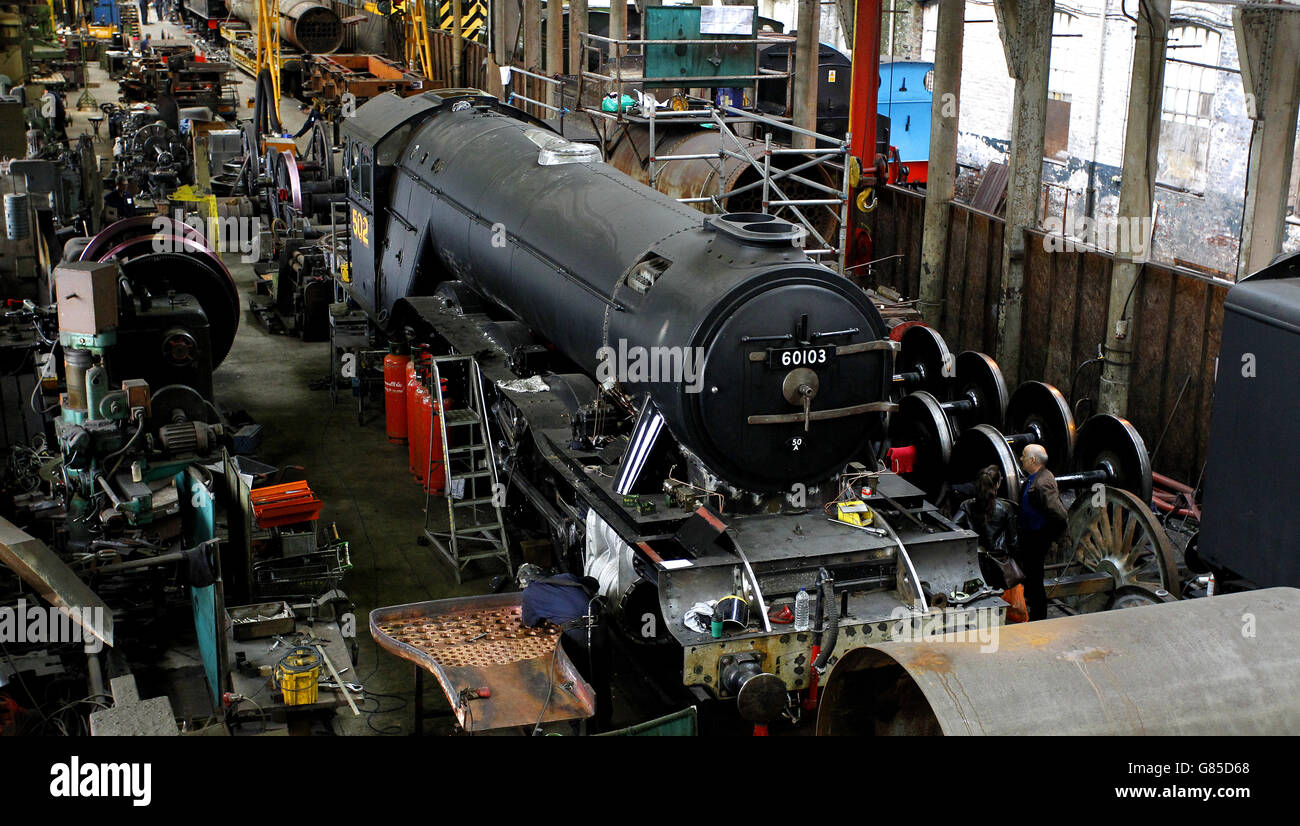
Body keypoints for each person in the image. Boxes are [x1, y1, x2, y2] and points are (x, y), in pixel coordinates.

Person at [1016, 443, 1068, 621]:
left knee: (1035, 578)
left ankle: (1039, 617)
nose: (1021, 458)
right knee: (1030, 576)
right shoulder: (1035, 477)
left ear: (1032, 460)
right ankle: (1030, 610)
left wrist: (1050, 536)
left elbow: (1059, 514)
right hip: (1029, 536)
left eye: (1023, 455)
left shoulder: (1042, 482)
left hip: (1036, 540)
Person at [952, 465, 1021, 590]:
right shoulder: (1006, 508)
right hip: (999, 563)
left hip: (975, 561)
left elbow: (953, 527)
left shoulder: (966, 506)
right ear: (998, 484)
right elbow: (1013, 541)